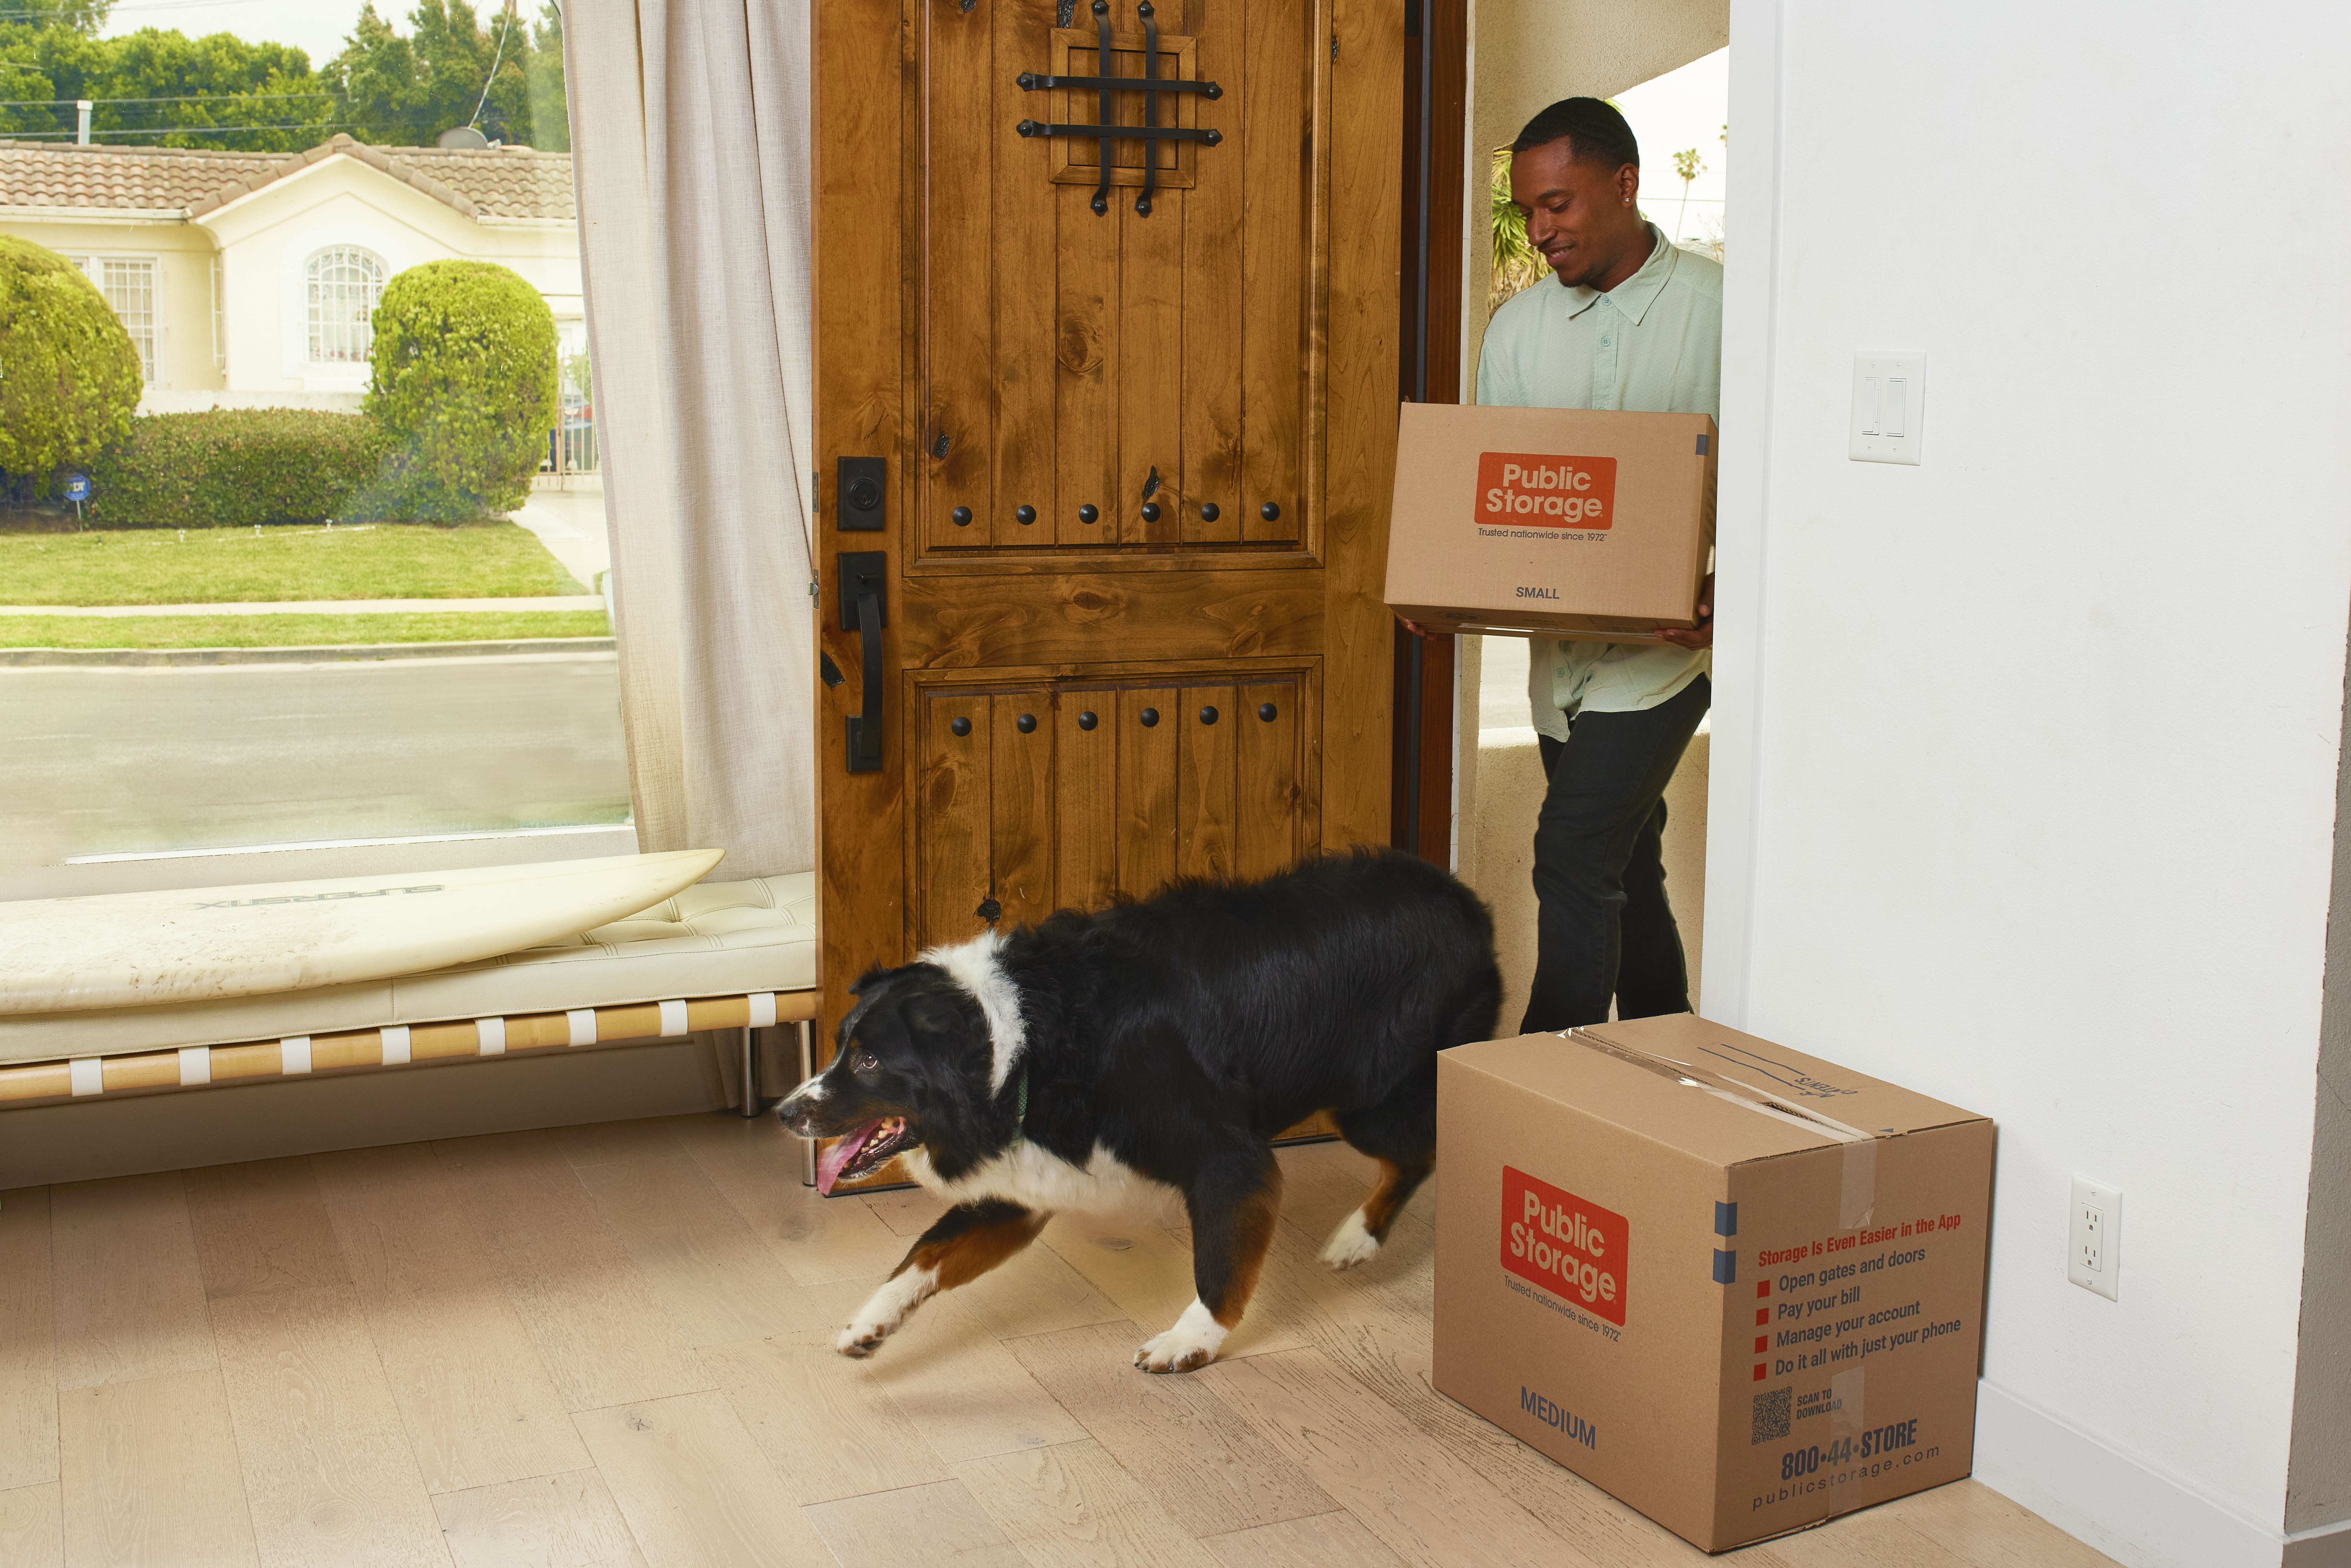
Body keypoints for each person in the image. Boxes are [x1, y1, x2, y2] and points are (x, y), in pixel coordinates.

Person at [1457, 96, 1721, 1032]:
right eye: (1529, 211)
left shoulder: (1724, 315)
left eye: (1559, 206)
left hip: (1663, 660)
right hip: (1557, 663)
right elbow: (1492, 505)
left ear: (1624, 183)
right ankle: (1667, 1045)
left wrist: (1727, 597)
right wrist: (1440, 586)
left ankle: (1537, 1091)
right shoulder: (1516, 333)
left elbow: (1786, 494)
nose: (1539, 231)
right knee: (1624, 862)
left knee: (1571, 852)